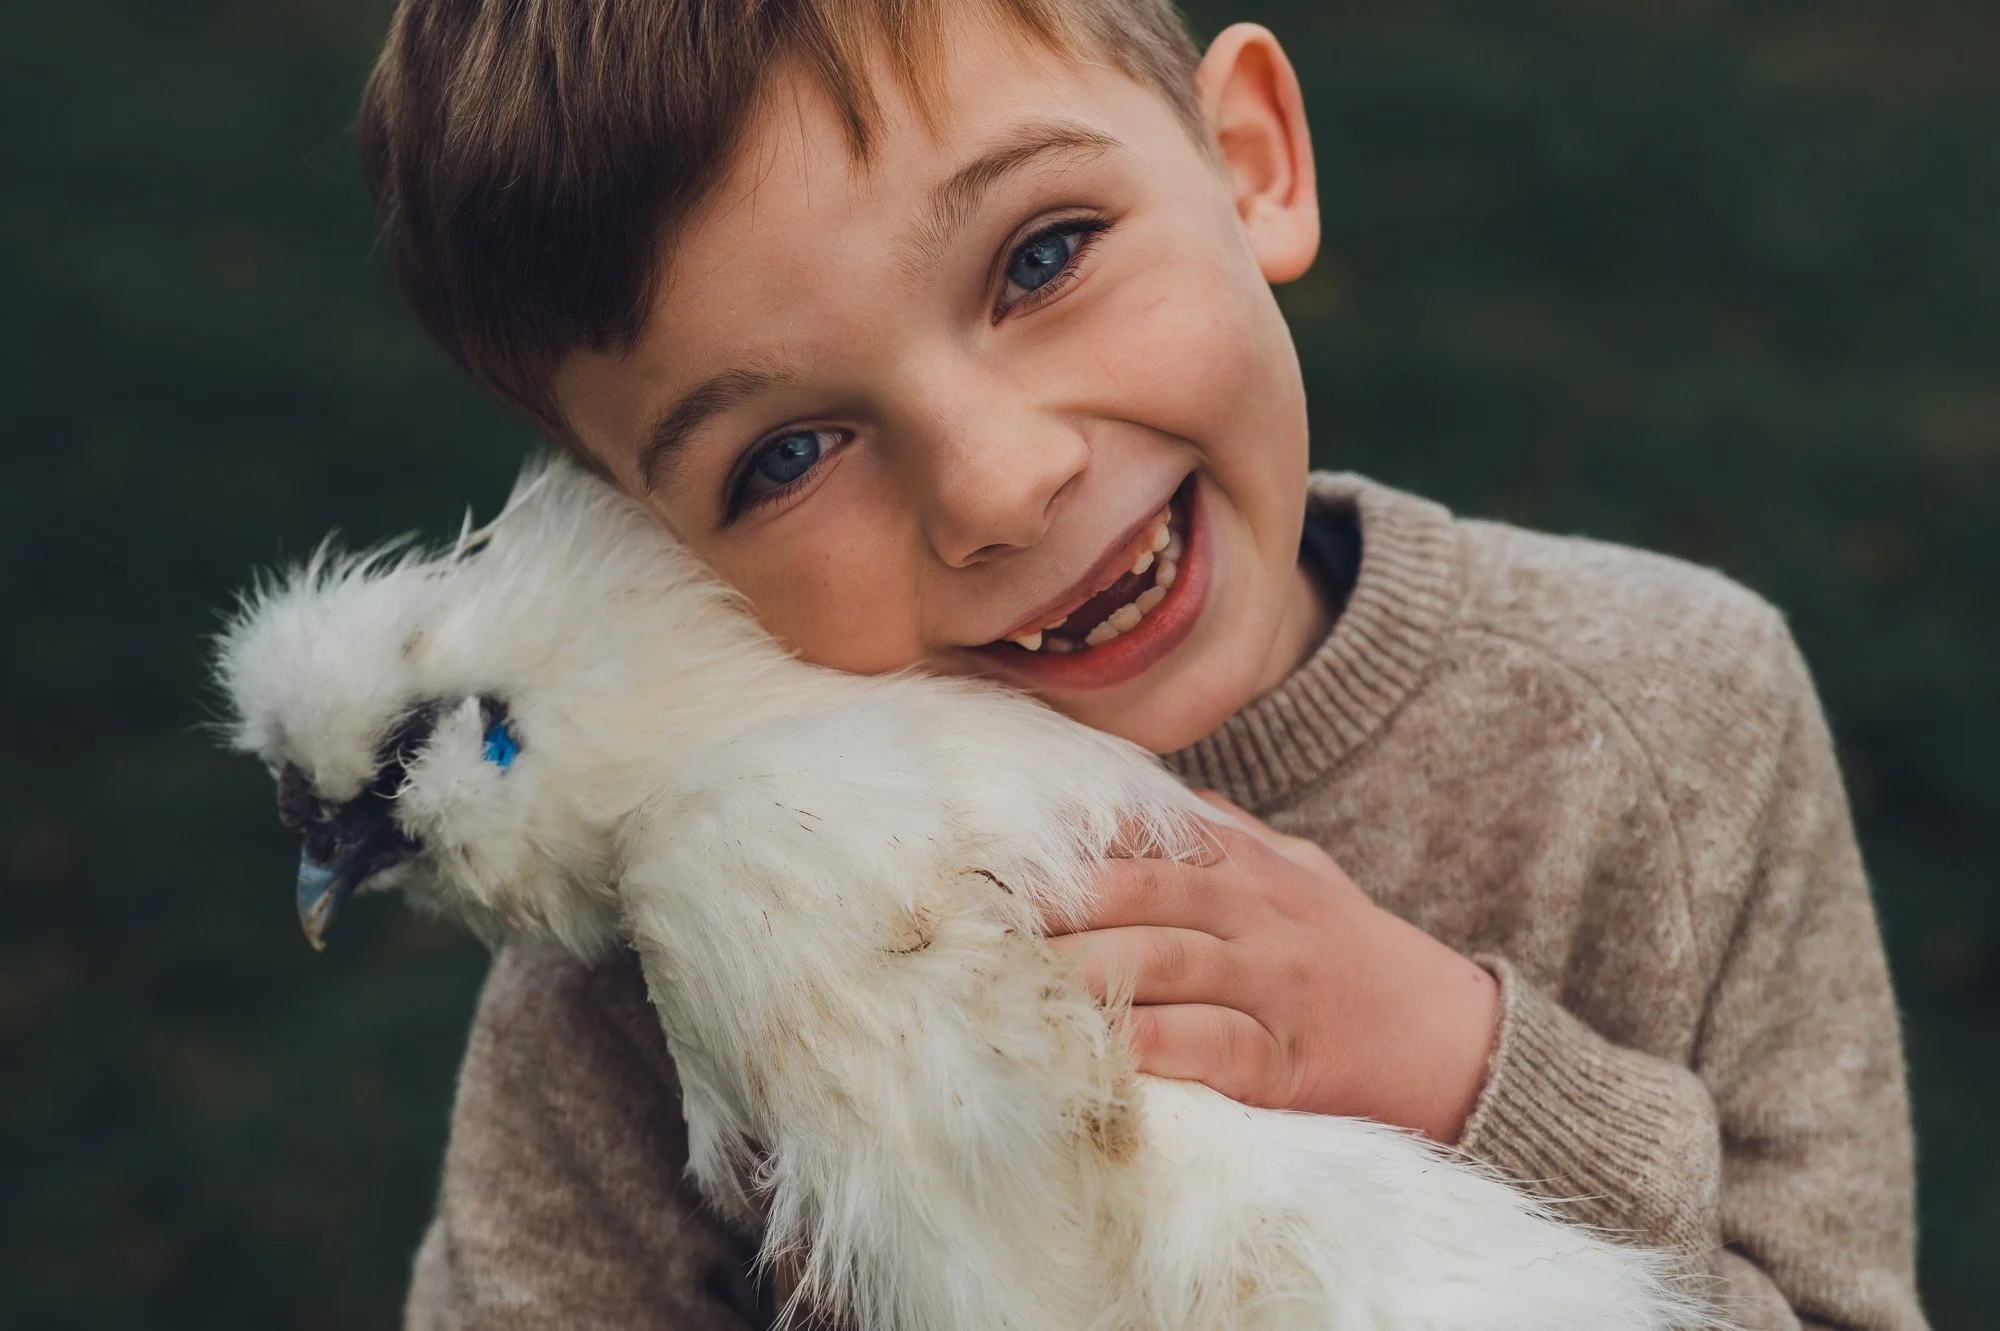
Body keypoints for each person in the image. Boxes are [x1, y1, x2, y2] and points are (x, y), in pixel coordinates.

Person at [357, 2, 1927, 1327]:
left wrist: (1467, 1076)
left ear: (1251, 162)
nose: (997, 484)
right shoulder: (630, 984)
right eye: (789, 456)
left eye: (1042, 258)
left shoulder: (1672, 715)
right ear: (654, 554)